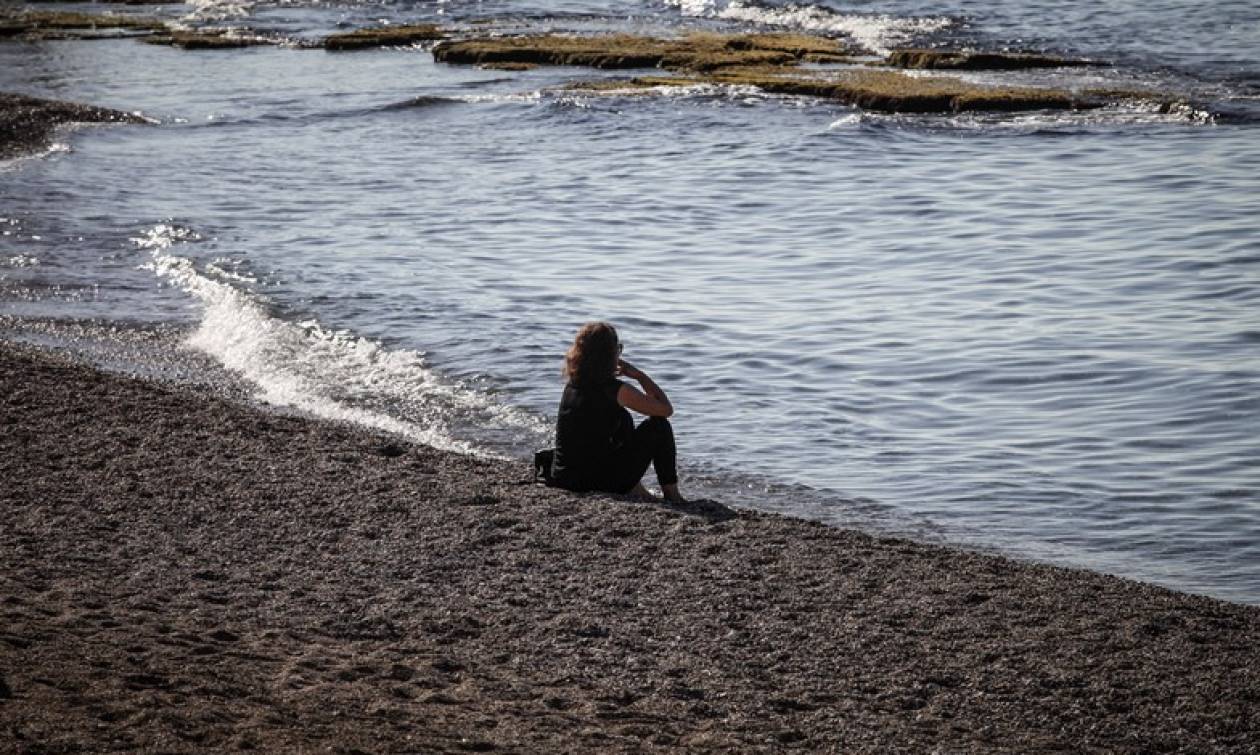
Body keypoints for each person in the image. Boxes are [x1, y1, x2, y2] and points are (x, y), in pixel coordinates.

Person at [551, 321, 685, 503]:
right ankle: (672, 495)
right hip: (595, 482)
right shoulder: (614, 390)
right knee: (659, 426)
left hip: (564, 477)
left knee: (622, 418)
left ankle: (636, 488)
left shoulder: (572, 385)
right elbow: (665, 410)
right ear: (610, 355)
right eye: (618, 349)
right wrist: (639, 375)